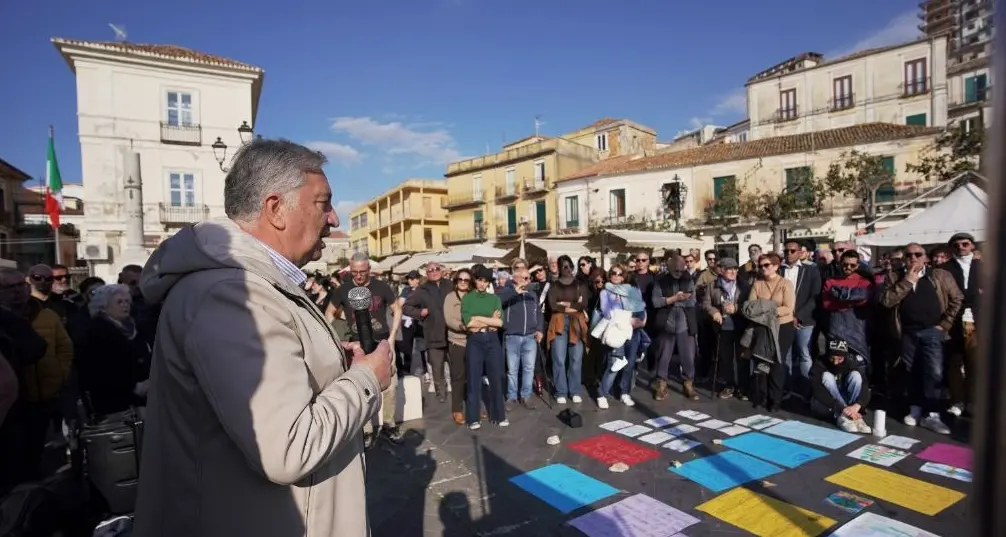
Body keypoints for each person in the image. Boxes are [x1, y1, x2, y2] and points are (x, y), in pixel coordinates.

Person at [133, 139, 393, 537]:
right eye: (323, 203)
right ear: (275, 209)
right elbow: (289, 447)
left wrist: (330, 362)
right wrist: (367, 379)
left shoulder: (251, 285)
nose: (334, 218)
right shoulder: (233, 295)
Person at [461, 266, 506, 429]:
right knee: (473, 379)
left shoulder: (494, 299)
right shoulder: (467, 298)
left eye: (485, 281)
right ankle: (473, 418)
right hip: (475, 341)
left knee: (496, 378)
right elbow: (468, 322)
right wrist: (488, 320)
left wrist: (478, 318)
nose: (482, 283)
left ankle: (499, 416)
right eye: (480, 280)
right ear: (475, 280)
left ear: (488, 283)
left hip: (493, 340)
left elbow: (499, 322)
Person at [810, 340, 872, 433]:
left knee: (856, 375)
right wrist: (842, 408)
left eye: (839, 359)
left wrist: (857, 405)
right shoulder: (819, 364)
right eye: (832, 358)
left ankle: (853, 415)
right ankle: (845, 417)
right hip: (828, 404)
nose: (835, 362)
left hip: (847, 403)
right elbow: (817, 390)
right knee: (827, 377)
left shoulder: (850, 364)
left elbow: (865, 387)